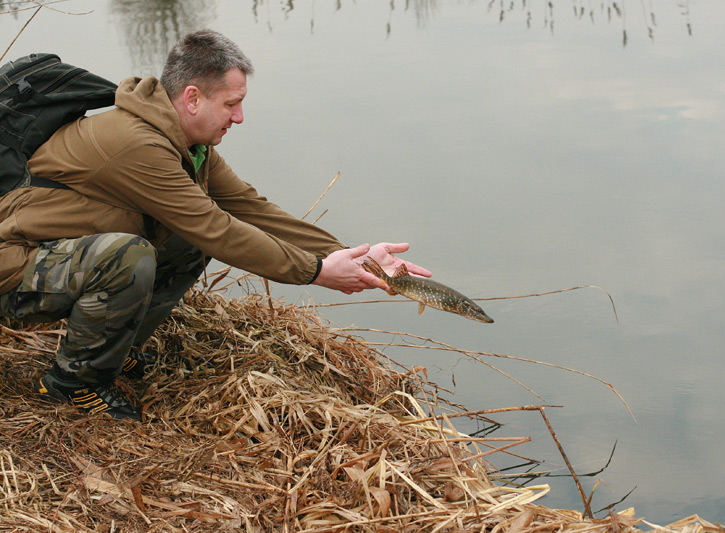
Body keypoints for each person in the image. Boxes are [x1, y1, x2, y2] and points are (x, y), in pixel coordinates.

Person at [0, 30, 430, 421]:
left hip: (59, 254)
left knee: (182, 244)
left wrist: (357, 255)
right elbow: (216, 228)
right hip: (16, 268)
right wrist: (316, 273)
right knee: (129, 256)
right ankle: (71, 383)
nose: (239, 117)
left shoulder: (187, 142)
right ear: (192, 99)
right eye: (231, 104)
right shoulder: (138, 143)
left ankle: (115, 350)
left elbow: (248, 207)